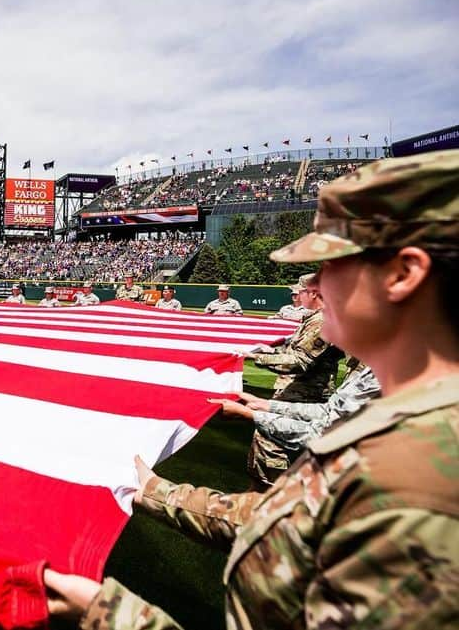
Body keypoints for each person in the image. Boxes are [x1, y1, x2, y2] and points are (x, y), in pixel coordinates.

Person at [44, 149, 459, 630]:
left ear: (403, 275)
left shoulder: (418, 484)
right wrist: (159, 493)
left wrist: (112, 616)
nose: (317, 287)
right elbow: (296, 521)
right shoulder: (407, 424)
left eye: (332, 264)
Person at [243, 272, 344, 487]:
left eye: (300, 292)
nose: (297, 297)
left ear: (314, 293)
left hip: (305, 396)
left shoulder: (322, 320)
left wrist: (256, 357)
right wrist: (270, 350)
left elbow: (299, 361)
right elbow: (295, 348)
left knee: (272, 444)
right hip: (297, 393)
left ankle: (273, 494)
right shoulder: (315, 318)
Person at [209, 359, 380, 460]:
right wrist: (267, 405)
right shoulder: (376, 368)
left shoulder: (387, 378)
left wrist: (250, 414)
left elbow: (322, 434)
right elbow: (328, 411)